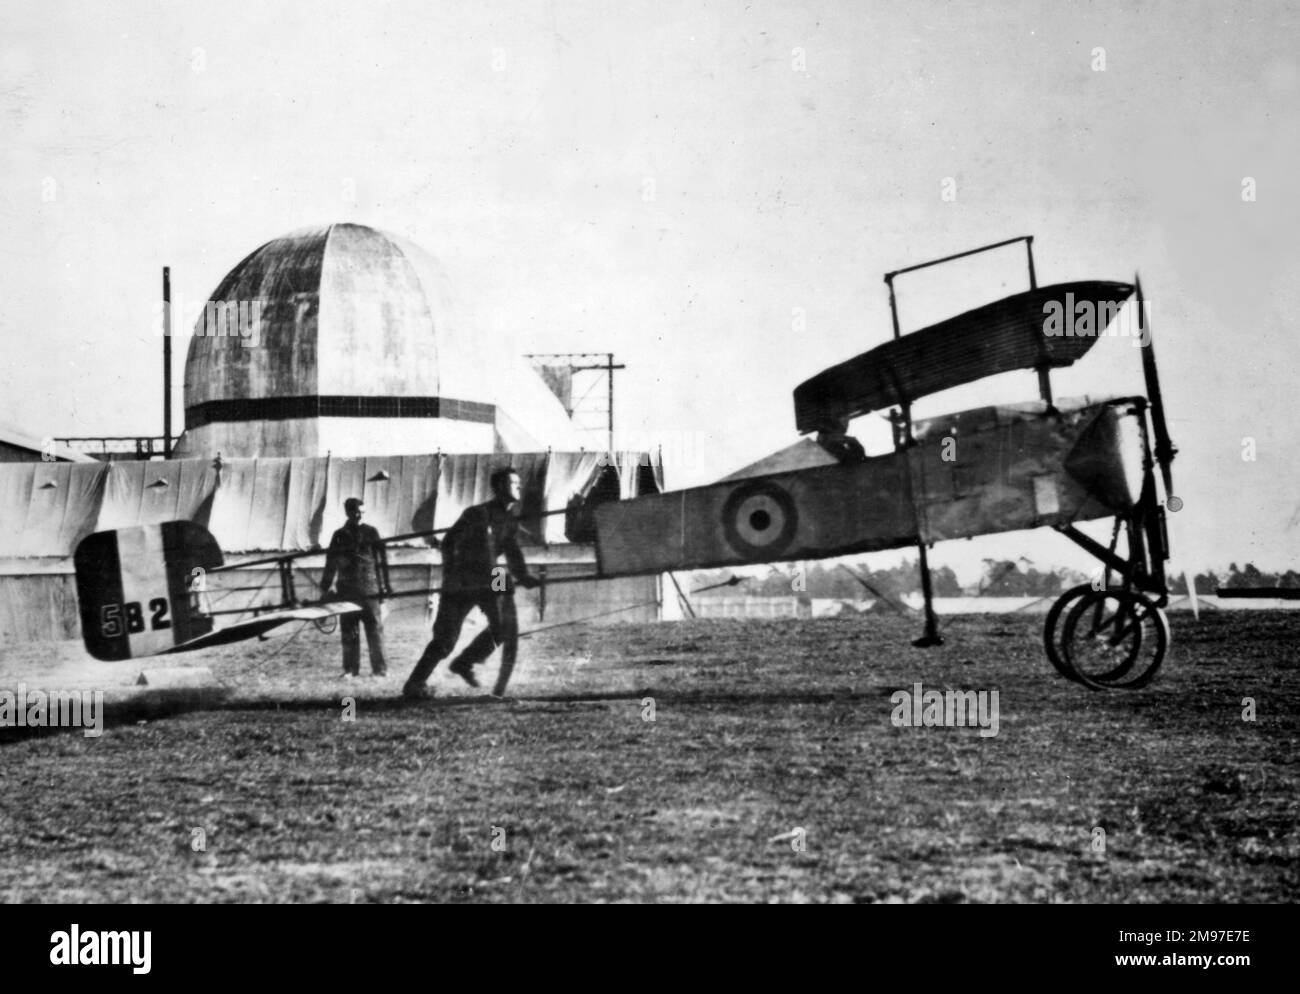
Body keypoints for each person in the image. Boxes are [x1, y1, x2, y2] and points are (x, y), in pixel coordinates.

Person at [403, 467, 540, 699]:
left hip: (492, 576)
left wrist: (524, 577)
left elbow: (512, 553)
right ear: (498, 488)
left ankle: (465, 662)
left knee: (503, 628)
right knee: (445, 640)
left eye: (518, 482)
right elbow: (448, 543)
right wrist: (451, 576)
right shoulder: (476, 514)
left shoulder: (509, 521)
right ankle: (414, 685)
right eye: (512, 483)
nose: (518, 486)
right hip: (462, 580)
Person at [320, 497, 389, 678]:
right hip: (347, 591)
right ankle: (350, 669)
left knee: (374, 631)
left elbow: (382, 561)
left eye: (361, 511)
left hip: (370, 590)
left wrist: (385, 586)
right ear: (347, 512)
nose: (358, 515)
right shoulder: (339, 535)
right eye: (354, 511)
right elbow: (331, 562)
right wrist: (325, 587)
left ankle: (380, 671)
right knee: (349, 632)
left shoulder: (372, 532)